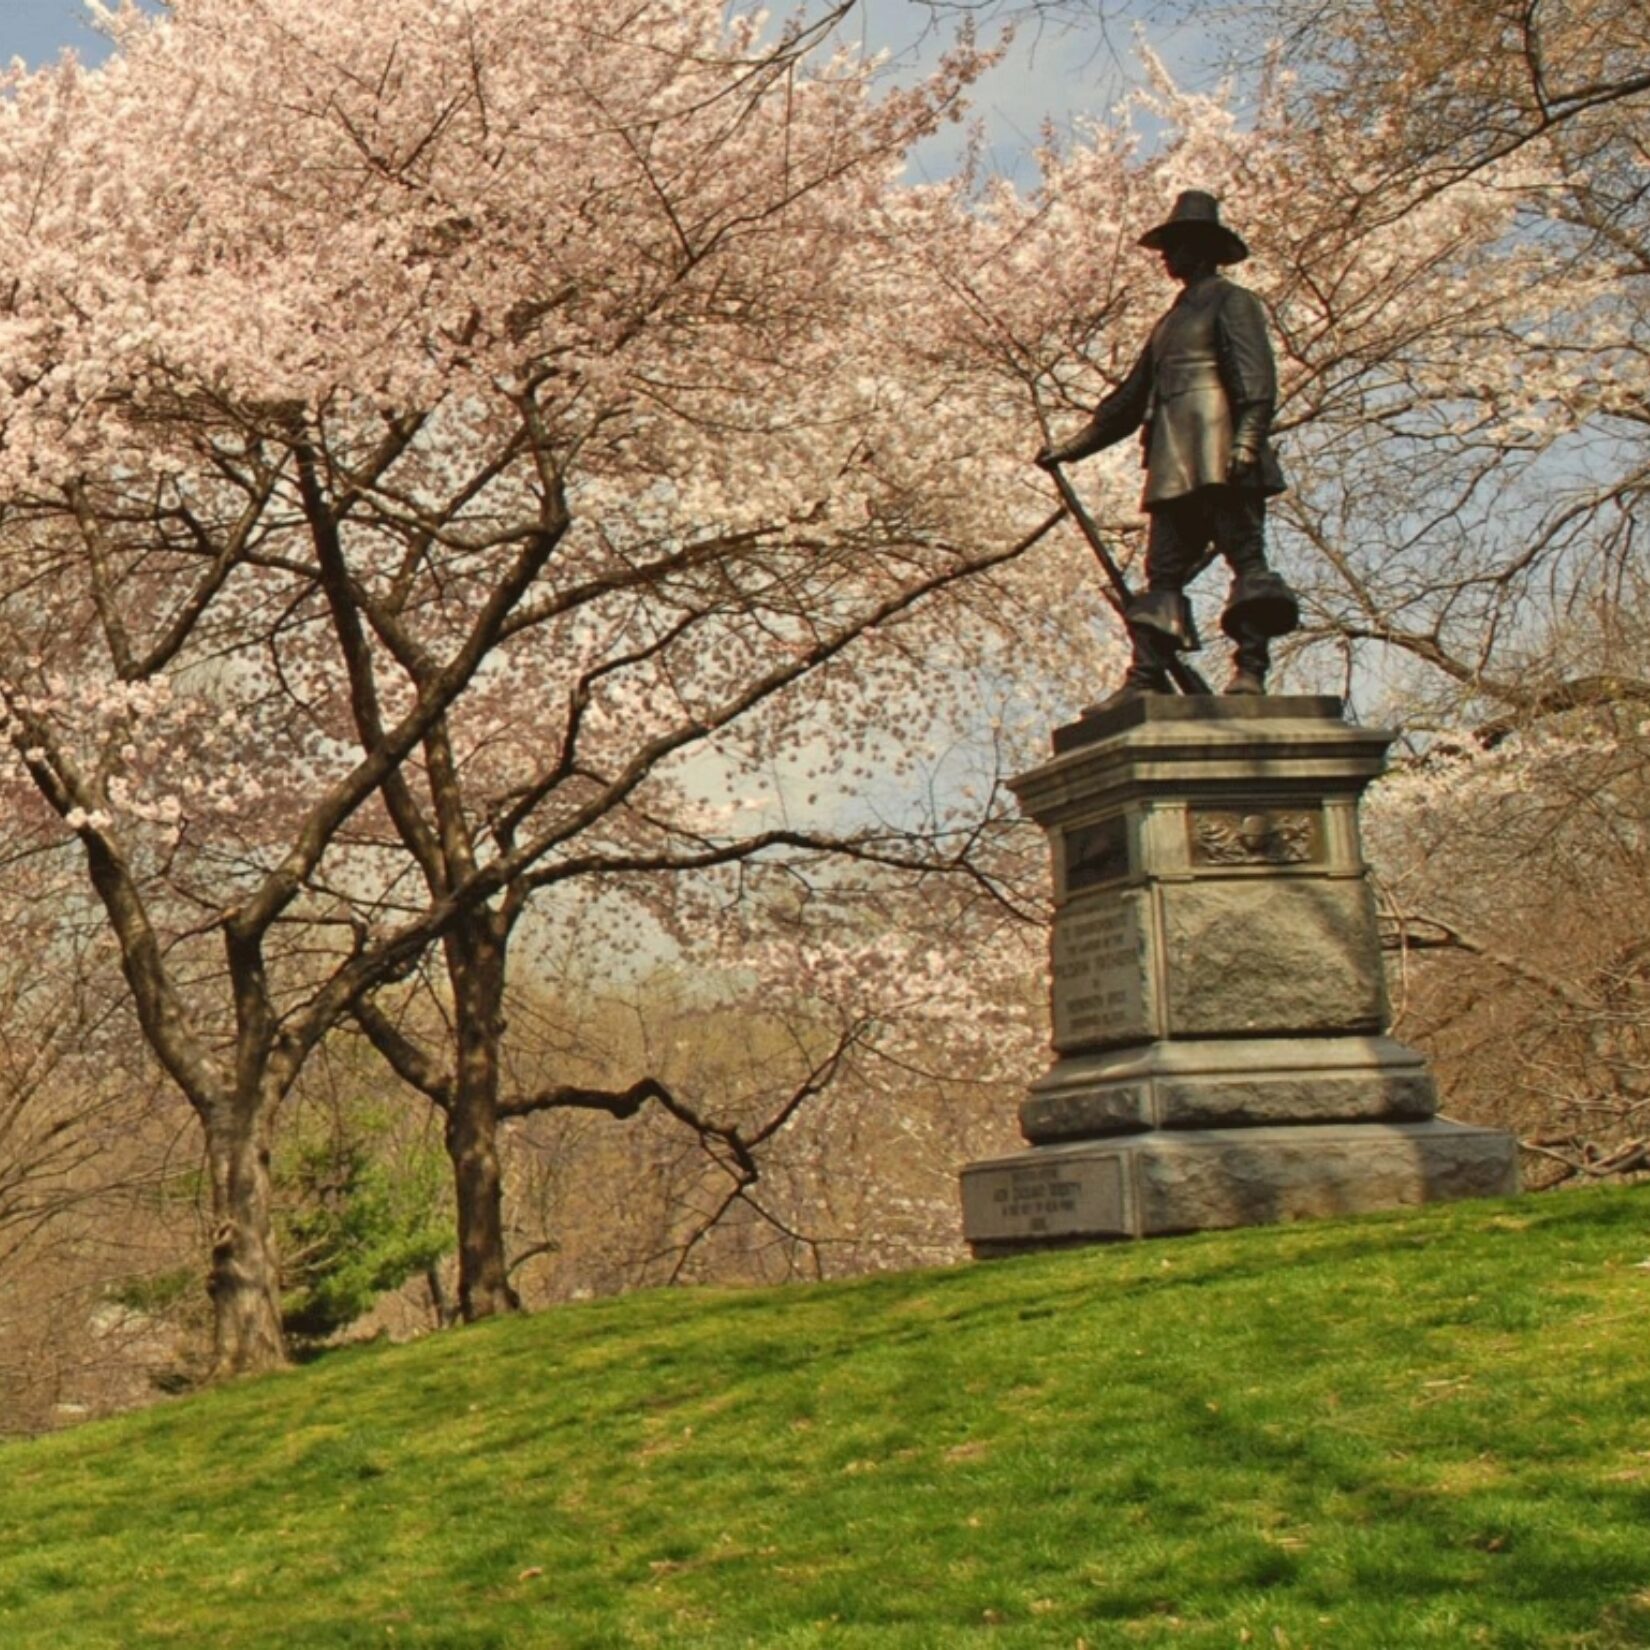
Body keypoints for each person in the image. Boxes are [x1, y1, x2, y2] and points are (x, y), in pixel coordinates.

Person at [1036, 190, 1298, 706]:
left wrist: (1247, 439)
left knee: (1247, 561)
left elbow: (1255, 379)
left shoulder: (1233, 302)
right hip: (1173, 458)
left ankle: (1250, 668)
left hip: (1223, 452)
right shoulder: (1169, 321)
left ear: (1199, 249)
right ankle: (1147, 676)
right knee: (1163, 570)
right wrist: (1071, 448)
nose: (1165, 257)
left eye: (1173, 246)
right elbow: (1130, 399)